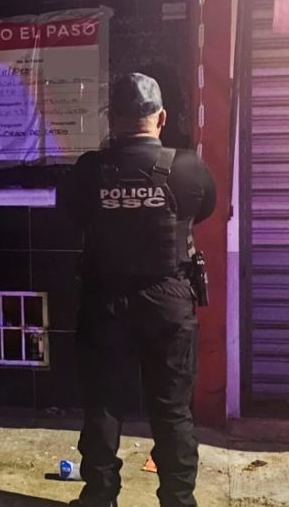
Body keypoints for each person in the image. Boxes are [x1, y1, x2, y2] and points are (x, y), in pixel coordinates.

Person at [58, 73, 216, 507]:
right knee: (172, 411)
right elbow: (204, 208)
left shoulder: (89, 171)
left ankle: (100, 497)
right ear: (161, 118)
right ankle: (178, 501)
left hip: (104, 303)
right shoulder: (188, 167)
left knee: (103, 406)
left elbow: (70, 213)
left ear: (112, 119)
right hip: (168, 304)